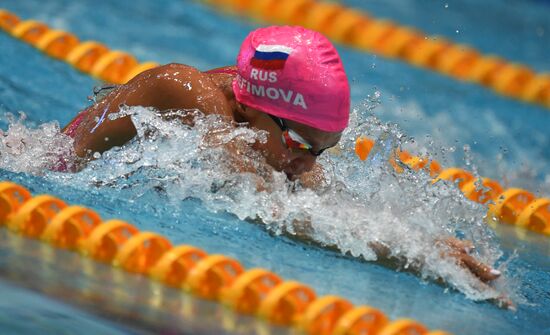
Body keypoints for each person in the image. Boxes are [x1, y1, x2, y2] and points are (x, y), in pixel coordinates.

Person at [61, 26, 502, 288]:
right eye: (301, 145)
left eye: (324, 151)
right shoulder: (188, 93)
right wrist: (408, 256)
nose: (309, 164)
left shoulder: (268, 126)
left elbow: (323, 205)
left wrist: (427, 243)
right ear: (253, 106)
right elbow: (266, 205)